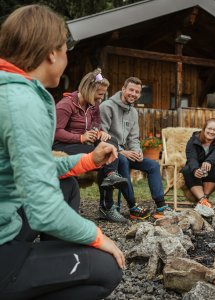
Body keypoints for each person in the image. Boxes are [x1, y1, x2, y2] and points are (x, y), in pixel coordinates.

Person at [0, 5, 124, 300]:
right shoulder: (21, 102)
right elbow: (43, 210)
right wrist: (97, 237)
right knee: (108, 268)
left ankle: (47, 264)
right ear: (52, 53)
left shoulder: (11, 90)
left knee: (67, 184)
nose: (67, 57)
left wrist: (87, 160)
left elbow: (35, 168)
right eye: (66, 48)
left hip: (9, 218)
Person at [100, 76, 171, 221]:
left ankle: (161, 205)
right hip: (108, 152)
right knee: (123, 161)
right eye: (131, 90)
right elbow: (102, 136)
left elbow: (133, 138)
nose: (133, 94)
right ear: (123, 89)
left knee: (153, 165)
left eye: (137, 92)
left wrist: (137, 151)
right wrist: (121, 151)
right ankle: (133, 207)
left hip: (124, 152)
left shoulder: (133, 112)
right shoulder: (107, 106)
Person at [53, 68, 128, 191]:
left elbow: (96, 123)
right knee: (103, 153)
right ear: (89, 90)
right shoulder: (66, 105)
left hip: (81, 143)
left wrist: (100, 132)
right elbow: (56, 132)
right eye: (100, 94)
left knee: (111, 141)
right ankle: (106, 202)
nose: (101, 98)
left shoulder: (93, 106)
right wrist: (81, 137)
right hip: (63, 145)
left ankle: (111, 176)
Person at [181, 118, 215, 208]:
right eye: (209, 128)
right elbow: (191, 157)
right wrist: (195, 169)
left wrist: (209, 161)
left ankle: (204, 198)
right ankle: (203, 200)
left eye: (214, 130)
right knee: (187, 169)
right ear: (204, 128)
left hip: (208, 169)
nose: (211, 132)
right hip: (194, 166)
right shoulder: (193, 140)